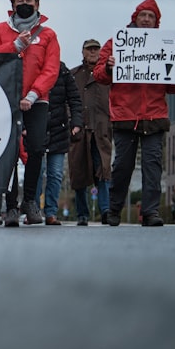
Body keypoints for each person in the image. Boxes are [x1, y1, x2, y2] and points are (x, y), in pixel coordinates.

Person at [94, 0, 175, 227]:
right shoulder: (117, 42)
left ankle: (150, 212)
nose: (146, 19)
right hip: (125, 115)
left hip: (155, 115)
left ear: (156, 21)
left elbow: (173, 87)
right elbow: (99, 75)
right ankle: (114, 210)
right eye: (143, 15)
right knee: (122, 167)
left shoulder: (167, 44)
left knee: (153, 166)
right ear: (135, 18)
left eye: (151, 16)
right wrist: (109, 67)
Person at [0, 0, 61, 227]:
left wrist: (33, 95)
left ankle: (30, 200)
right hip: (6, 99)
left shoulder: (48, 35)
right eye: (19, 1)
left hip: (36, 102)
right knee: (8, 152)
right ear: (13, 6)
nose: (24, 4)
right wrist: (14, 46)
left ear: (37, 4)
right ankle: (11, 206)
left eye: (29, 0)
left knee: (36, 148)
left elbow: (51, 69)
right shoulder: (0, 30)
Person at [69, 39, 114, 225]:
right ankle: (82, 214)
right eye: (90, 49)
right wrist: (71, 123)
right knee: (79, 173)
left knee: (103, 172)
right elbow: (67, 100)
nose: (93, 52)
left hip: (102, 130)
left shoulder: (109, 74)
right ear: (83, 52)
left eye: (96, 49)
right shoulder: (73, 75)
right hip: (78, 131)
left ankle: (105, 210)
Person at [39, 62, 82, 225]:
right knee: (37, 171)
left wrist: (76, 122)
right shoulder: (33, 64)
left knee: (55, 173)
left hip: (59, 129)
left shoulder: (62, 70)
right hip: (37, 127)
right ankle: (34, 209)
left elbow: (74, 99)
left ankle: (51, 212)